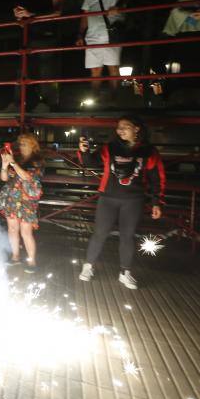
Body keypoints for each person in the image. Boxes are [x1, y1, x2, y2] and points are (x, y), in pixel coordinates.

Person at [77, 115, 165, 290]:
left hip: (133, 200)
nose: (120, 130)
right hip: (108, 197)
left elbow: (157, 178)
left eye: (125, 126)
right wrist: (84, 151)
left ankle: (125, 272)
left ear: (137, 128)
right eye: (118, 127)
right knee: (99, 233)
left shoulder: (148, 151)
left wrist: (157, 202)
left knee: (127, 236)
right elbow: (90, 162)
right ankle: (88, 266)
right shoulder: (110, 148)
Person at [76, 0, 131, 96]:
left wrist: (118, 6)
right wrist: (80, 34)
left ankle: (114, 100)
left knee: (113, 67)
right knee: (95, 70)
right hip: (93, 35)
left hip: (111, 32)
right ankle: (95, 99)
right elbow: (85, 14)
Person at [13, 0, 64, 110]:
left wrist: (30, 15)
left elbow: (57, 13)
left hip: (48, 36)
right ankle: (18, 103)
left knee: (47, 70)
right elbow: (21, 16)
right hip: (29, 37)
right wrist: (19, 15)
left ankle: (48, 104)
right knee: (22, 70)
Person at [0, 133, 44, 273]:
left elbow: (27, 177)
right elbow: (4, 178)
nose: (21, 146)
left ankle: (32, 260)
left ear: (32, 145)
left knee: (26, 232)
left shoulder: (38, 161)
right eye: (20, 144)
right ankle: (15, 256)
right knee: (12, 229)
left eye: (24, 144)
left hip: (27, 200)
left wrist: (12, 163)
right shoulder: (16, 159)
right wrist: (4, 165)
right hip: (12, 198)